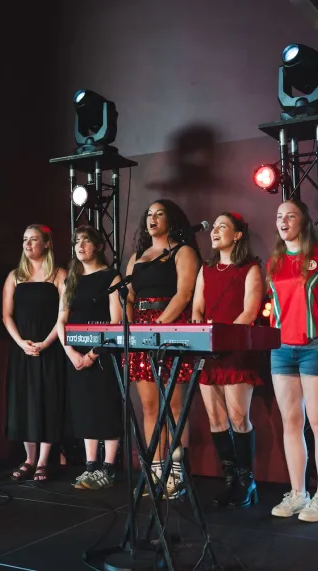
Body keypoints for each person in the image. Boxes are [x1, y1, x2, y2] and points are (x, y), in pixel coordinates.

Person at [266, 199, 318, 522]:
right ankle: (298, 492)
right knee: (291, 423)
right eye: (279, 216)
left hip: (315, 347)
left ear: (304, 221)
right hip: (281, 348)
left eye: (290, 216)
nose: (283, 221)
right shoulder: (275, 260)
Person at [125, 199, 200, 498]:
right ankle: (155, 471)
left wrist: (157, 326)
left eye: (159, 214)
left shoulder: (183, 252)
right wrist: (132, 330)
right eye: (149, 214)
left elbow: (184, 293)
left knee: (174, 407)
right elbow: (128, 297)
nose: (152, 218)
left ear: (172, 220)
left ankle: (178, 473)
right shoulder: (138, 257)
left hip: (169, 327)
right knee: (149, 406)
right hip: (141, 330)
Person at [191, 212, 263, 508]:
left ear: (237, 235)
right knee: (216, 418)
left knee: (237, 417)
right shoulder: (206, 269)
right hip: (209, 352)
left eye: (223, 226)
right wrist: (200, 332)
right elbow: (197, 305)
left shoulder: (250, 268)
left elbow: (249, 311)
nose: (215, 230)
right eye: (214, 227)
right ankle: (230, 479)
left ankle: (248, 481)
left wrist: (223, 339)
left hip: (234, 349)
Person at [56, 226, 122, 490]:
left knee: (106, 407)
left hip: (102, 353)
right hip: (75, 354)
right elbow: (61, 320)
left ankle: (108, 468)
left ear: (98, 246)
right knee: (84, 409)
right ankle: (90, 466)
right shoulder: (70, 280)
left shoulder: (111, 277)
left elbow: (115, 320)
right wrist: (71, 352)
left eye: (85, 241)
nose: (80, 246)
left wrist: (94, 354)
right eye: (76, 242)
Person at [4, 225, 67, 482]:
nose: (27, 245)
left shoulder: (59, 275)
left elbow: (64, 315)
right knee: (24, 402)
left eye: (33, 240)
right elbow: (6, 315)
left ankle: (43, 461)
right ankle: (29, 459)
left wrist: (45, 343)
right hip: (22, 349)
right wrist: (21, 343)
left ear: (47, 243)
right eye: (24, 240)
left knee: (47, 401)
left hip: (50, 348)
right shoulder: (15, 276)